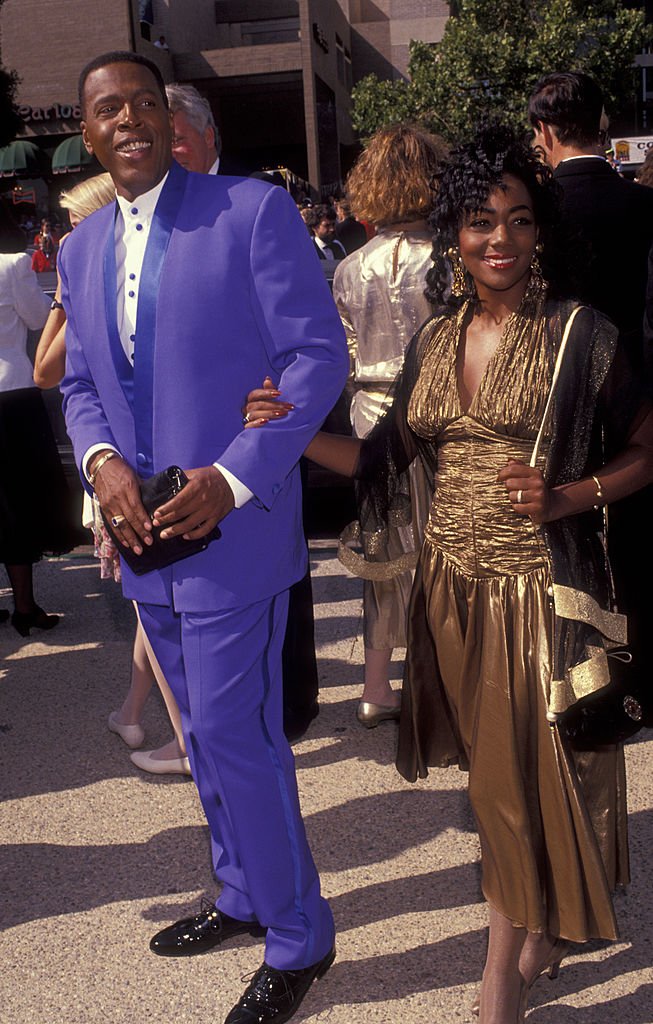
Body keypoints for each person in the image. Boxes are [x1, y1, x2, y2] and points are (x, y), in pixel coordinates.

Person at [245, 124, 653, 1023]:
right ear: (454, 236)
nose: (498, 239)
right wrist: (285, 427)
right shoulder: (435, 339)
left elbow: (643, 450)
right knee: (500, 782)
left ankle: (498, 982)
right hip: (450, 593)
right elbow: (376, 462)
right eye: (478, 222)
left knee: (510, 790)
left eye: (515, 219)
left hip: (540, 592)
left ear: (539, 229)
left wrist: (567, 494)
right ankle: (543, 923)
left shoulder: (579, 336)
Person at [59, 51, 347, 1024]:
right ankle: (238, 891)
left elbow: (315, 353)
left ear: (169, 121)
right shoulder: (87, 244)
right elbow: (81, 382)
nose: (129, 118)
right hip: (142, 537)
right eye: (109, 108)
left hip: (233, 527)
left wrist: (230, 475)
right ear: (89, 130)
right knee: (198, 737)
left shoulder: (250, 213)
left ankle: (299, 935)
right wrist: (99, 462)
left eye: (144, 100)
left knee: (236, 732)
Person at [33, 172, 190, 776]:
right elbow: (54, 374)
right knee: (148, 602)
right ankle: (137, 712)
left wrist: (64, 299)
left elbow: (46, 369)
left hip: (135, 478)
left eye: (80, 222)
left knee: (151, 598)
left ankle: (182, 739)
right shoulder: (96, 282)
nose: (73, 235)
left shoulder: (112, 290)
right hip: (115, 465)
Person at [529, 70, 653, 738]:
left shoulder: (536, 214)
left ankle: (579, 674)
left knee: (565, 535)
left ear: (543, 130)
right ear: (600, 124)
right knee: (635, 536)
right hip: (637, 386)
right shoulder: (640, 203)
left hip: (559, 390)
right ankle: (638, 675)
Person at [331, 124, 446, 727]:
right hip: (437, 414)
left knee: (384, 548)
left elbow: (346, 351)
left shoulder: (351, 265)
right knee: (442, 549)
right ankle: (442, 680)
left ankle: (376, 685)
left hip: (369, 412)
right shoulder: (449, 257)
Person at [0, 203, 74, 636]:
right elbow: (35, 318)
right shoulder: (12, 264)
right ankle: (25, 606)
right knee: (18, 500)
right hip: (10, 394)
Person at [166, 83, 221, 175]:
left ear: (208, 137)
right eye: (162, 146)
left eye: (175, 141)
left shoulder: (248, 185)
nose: (168, 155)